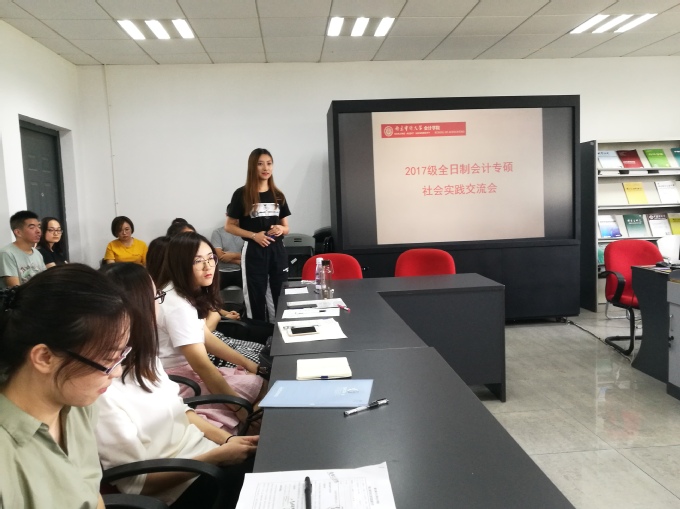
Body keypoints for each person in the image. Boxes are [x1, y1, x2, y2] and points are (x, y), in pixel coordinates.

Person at [98, 262, 258, 507]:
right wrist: (216, 457)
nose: (160, 304)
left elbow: (181, 410)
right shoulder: (103, 390)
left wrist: (227, 441)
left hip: (206, 460)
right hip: (185, 487)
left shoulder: (146, 360)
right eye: (156, 297)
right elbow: (137, 485)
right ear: (139, 307)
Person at [0, 264, 129, 508]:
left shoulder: (78, 404)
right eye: (108, 359)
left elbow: (91, 492)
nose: (117, 372)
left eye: (121, 355)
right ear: (45, 358)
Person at [155, 232, 265, 434]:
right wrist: (240, 410)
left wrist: (248, 364)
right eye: (198, 261)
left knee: (261, 383)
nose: (208, 267)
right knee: (259, 397)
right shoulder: (177, 305)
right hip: (179, 381)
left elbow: (205, 336)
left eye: (210, 258)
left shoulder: (180, 292)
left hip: (187, 372)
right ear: (180, 264)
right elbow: (202, 365)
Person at [226, 148, 291, 321]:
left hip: (277, 251)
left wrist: (280, 229)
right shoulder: (241, 194)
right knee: (255, 295)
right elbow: (229, 226)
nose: (265, 168)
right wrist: (254, 236)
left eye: (269, 163)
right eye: (260, 164)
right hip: (254, 251)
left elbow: (286, 228)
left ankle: (278, 330)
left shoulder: (278, 195)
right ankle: (257, 332)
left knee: (280, 293)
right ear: (252, 167)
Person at [0, 210, 46, 289]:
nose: (38, 231)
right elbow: (15, 288)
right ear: (18, 232)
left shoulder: (37, 253)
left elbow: (45, 280)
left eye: (39, 226)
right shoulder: (7, 253)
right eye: (32, 227)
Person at [211, 210, 244, 290]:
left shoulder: (246, 233)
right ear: (227, 215)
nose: (236, 220)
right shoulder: (218, 232)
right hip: (222, 271)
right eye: (233, 217)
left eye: (238, 217)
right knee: (214, 294)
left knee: (251, 293)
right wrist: (240, 261)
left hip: (242, 271)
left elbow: (250, 255)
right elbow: (220, 256)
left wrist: (232, 255)